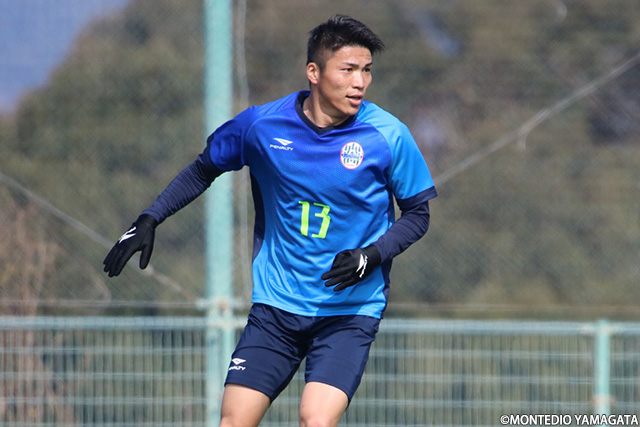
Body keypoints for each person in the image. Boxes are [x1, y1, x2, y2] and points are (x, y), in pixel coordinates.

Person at [104, 14, 437, 427]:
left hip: (349, 312)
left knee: (315, 420)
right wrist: (151, 217)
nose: (360, 83)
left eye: (366, 71)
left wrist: (372, 255)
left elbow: (418, 214)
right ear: (314, 72)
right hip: (276, 308)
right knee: (233, 422)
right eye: (348, 70)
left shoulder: (388, 135)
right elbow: (203, 169)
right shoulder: (261, 126)